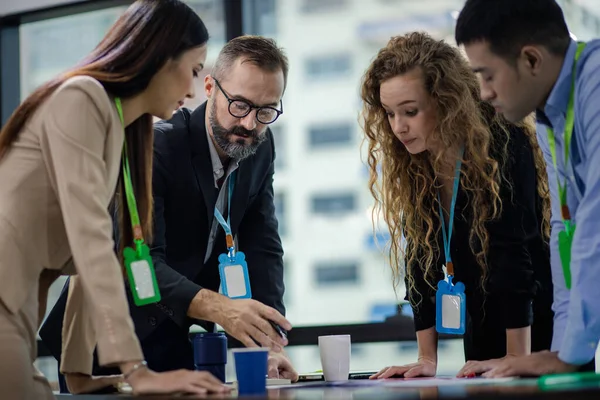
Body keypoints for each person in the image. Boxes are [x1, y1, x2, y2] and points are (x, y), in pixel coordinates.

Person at [0, 0, 233, 398]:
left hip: (20, 302)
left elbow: (100, 255)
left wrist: (77, 371)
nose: (192, 89)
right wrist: (137, 370)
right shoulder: (82, 99)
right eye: (194, 70)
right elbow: (90, 245)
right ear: (161, 55)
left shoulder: (124, 133)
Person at [39, 35, 297, 393]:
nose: (250, 124)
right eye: (239, 105)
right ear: (209, 87)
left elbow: (263, 248)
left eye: (266, 111)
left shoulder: (260, 148)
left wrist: (266, 345)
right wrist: (220, 308)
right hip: (107, 337)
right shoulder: (157, 147)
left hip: (173, 330)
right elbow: (137, 263)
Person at [360, 32, 554, 380]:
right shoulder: (416, 162)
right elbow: (419, 262)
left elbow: (514, 257)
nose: (399, 127)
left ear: (446, 101)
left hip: (537, 335)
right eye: (389, 114)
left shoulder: (503, 140)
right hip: (481, 335)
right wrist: (426, 359)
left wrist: (515, 357)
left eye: (410, 111)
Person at [454, 0, 600, 377]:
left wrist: (569, 355)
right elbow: (566, 236)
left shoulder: (596, 85)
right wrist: (562, 353)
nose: (483, 93)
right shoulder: (551, 115)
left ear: (531, 60)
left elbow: (595, 226)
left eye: (487, 75)